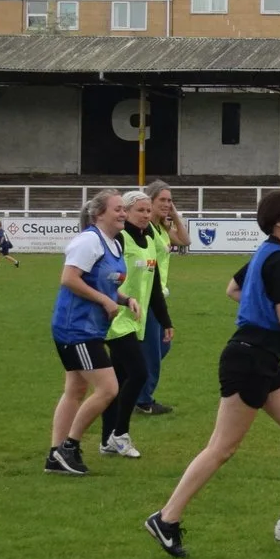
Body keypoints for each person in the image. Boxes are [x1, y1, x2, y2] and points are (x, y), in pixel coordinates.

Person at [144, 188, 280, 557]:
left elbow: (233, 289)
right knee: (222, 447)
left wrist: (259, 306)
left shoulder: (266, 252)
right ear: (279, 222)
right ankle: (166, 518)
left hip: (261, 357)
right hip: (250, 359)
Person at [44, 190, 134, 475]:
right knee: (108, 388)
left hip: (90, 327)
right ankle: (68, 447)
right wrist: (105, 300)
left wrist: (123, 299)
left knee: (75, 390)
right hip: (76, 328)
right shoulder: (89, 241)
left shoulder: (114, 243)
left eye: (124, 209)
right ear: (99, 214)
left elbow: (101, 283)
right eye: (117, 209)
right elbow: (69, 279)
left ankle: (55, 456)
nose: (123, 213)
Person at [97, 190, 162, 459]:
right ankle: (120, 434)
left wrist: (165, 319)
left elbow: (154, 283)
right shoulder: (120, 239)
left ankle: (107, 440)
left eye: (148, 211)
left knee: (119, 381)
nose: (145, 215)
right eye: (139, 210)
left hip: (134, 318)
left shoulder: (149, 239)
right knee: (139, 373)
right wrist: (112, 299)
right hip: (116, 318)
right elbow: (106, 274)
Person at [132, 184, 179, 417]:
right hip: (145, 295)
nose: (167, 204)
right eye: (163, 200)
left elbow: (185, 240)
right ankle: (143, 400)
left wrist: (173, 215)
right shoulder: (147, 229)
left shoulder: (160, 228)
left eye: (170, 200)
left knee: (161, 346)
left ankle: (132, 385)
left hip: (156, 293)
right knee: (151, 350)